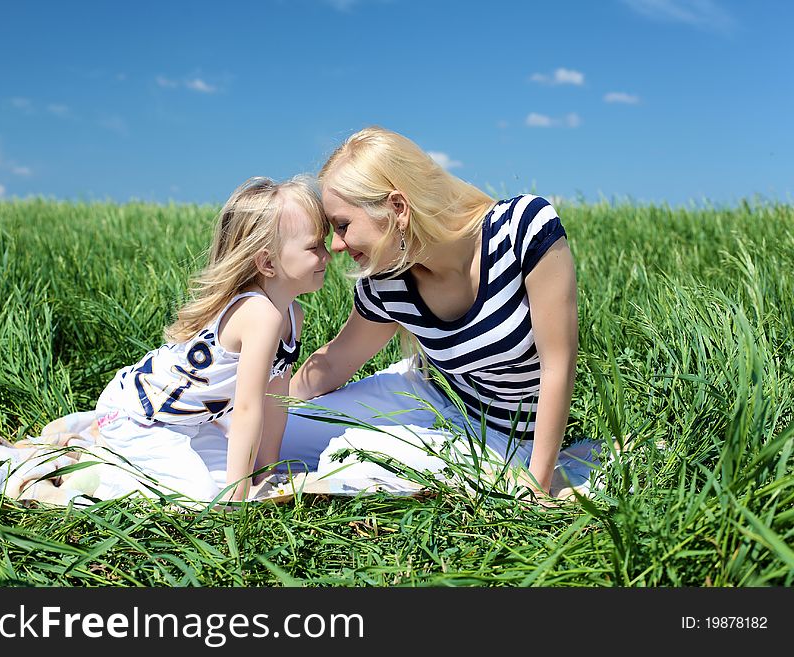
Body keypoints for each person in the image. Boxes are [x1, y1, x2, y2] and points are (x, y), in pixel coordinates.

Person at [279, 127, 578, 498]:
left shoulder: (521, 230)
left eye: (343, 226)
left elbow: (558, 364)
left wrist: (537, 483)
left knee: (353, 455)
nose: (336, 246)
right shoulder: (387, 279)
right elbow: (335, 362)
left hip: (505, 437)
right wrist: (255, 403)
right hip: (428, 393)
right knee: (274, 433)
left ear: (398, 209)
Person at [88, 176, 329, 503]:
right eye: (314, 246)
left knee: (230, 483)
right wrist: (238, 497)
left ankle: (106, 443)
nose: (328, 255)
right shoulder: (259, 315)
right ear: (268, 262)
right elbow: (246, 409)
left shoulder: (291, 315)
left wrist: (265, 471)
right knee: (204, 498)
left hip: (194, 423)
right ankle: (100, 458)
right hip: (141, 416)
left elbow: (274, 400)